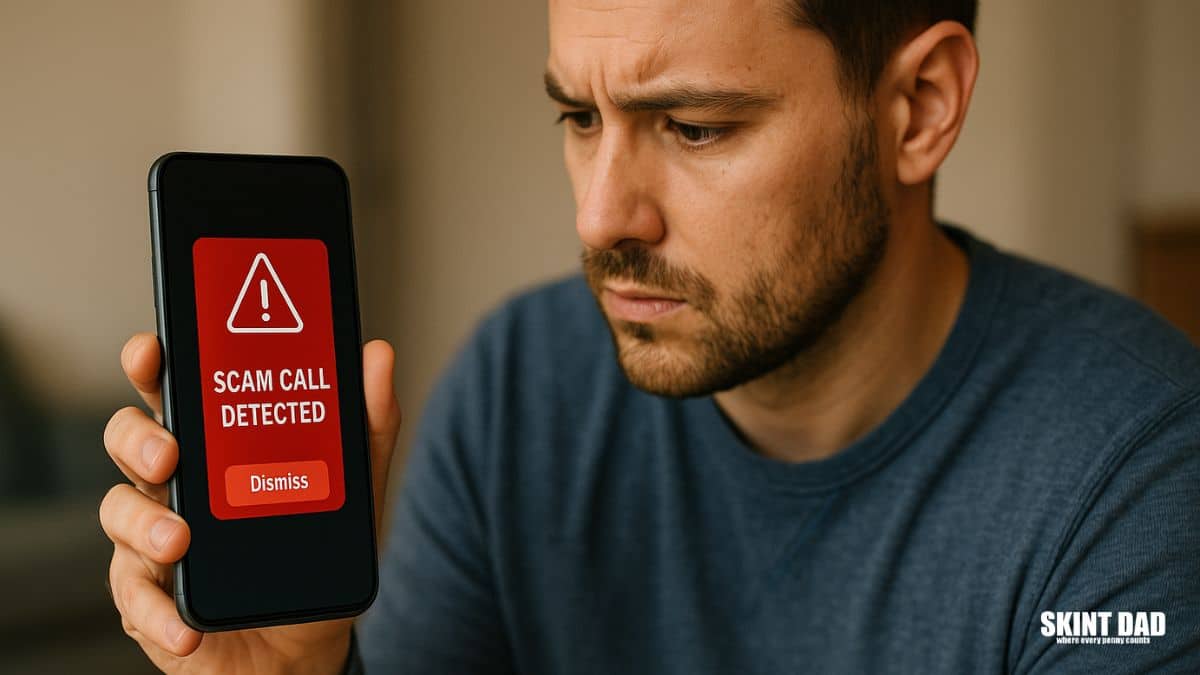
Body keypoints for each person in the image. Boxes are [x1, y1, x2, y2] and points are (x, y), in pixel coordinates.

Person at [100, 1, 1200, 672]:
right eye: (580, 118)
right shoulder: (513, 392)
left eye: (694, 126)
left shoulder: (1134, 466)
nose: (599, 217)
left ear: (917, 107)